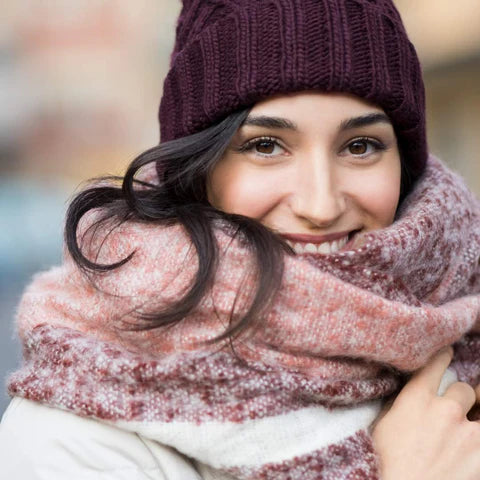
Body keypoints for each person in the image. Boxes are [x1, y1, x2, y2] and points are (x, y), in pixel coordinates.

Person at [1, 0, 480, 479]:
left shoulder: (460, 338)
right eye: (265, 146)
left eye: (360, 146)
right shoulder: (77, 430)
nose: (321, 204)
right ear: (199, 167)